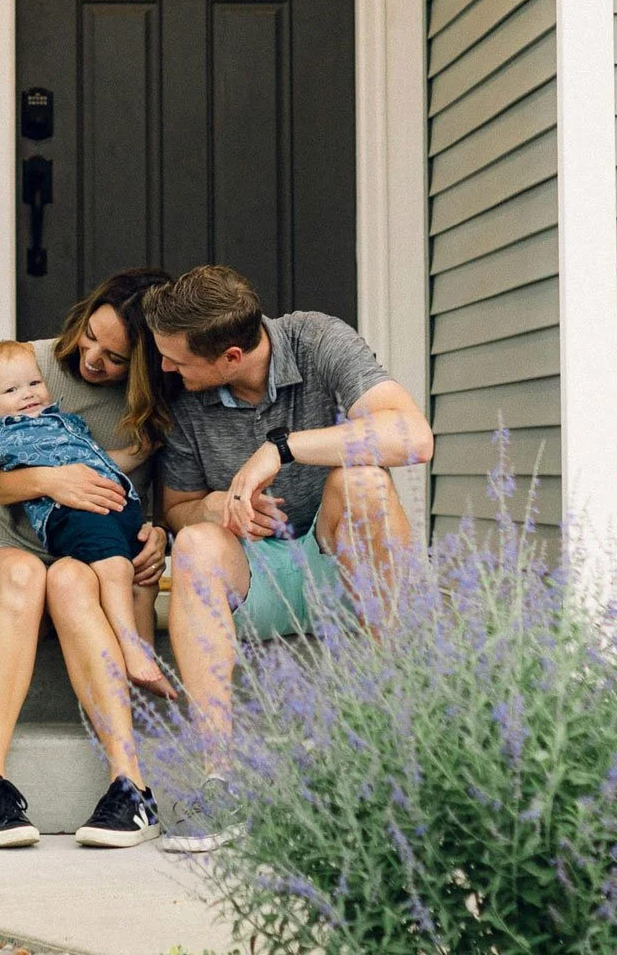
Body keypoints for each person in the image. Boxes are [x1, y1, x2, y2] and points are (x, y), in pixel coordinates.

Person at [142, 265, 434, 852]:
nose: (166, 369)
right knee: (196, 545)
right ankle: (220, 780)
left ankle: (399, 742)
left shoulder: (318, 340)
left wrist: (282, 449)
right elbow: (176, 509)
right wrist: (218, 506)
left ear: (230, 356)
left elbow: (413, 436)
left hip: (341, 567)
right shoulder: (183, 398)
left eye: (176, 359)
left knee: (364, 485)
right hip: (258, 578)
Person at [0, 269, 176, 850]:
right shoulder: (24, 365)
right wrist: (52, 479)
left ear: (149, 362)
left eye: (116, 356)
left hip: (92, 559)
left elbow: (151, 495)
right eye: (90, 336)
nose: (93, 358)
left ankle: (130, 788)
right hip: (7, 557)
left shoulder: (154, 403)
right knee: (31, 572)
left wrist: (157, 537)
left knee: (71, 577)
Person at [0, 339, 176, 700]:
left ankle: (141, 676)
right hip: (70, 515)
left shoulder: (65, 422)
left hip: (115, 510)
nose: (27, 395)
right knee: (117, 569)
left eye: (33, 384)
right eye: (11, 390)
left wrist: (140, 452)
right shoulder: (0, 434)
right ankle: (131, 649)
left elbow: (102, 462)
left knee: (141, 578)